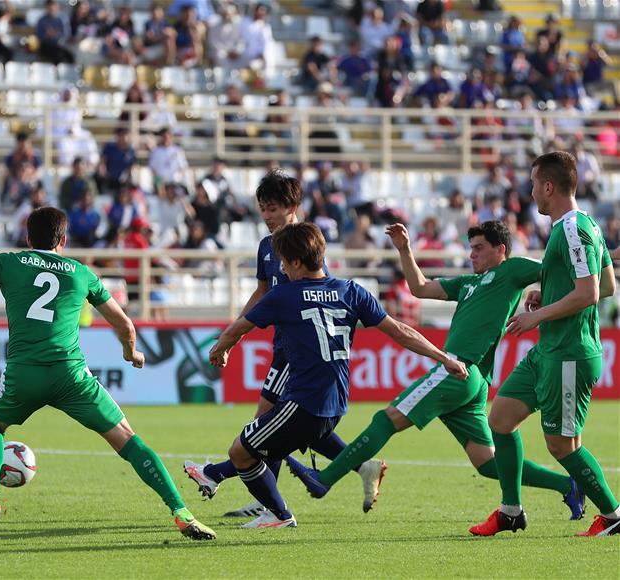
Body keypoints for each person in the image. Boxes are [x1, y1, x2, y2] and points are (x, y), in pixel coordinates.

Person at [0, 207, 216, 541]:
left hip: (24, 374)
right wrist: (130, 353)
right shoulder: (81, 273)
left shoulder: (7, 262)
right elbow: (124, 324)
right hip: (71, 375)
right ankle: (181, 512)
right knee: (128, 439)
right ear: (63, 239)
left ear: (27, 237)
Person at [283, 221, 586, 518]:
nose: (472, 255)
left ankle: (324, 480)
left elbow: (557, 268)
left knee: (385, 419)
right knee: (487, 462)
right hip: (471, 378)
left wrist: (546, 293)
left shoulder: (511, 269)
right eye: (471, 248)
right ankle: (567, 485)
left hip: (457, 370)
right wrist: (405, 250)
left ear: (500, 250)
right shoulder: (468, 283)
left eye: (479, 248)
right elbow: (420, 287)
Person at [206, 222, 468, 528]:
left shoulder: (284, 296)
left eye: (284, 262)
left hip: (302, 403)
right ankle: (255, 488)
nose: (281, 268)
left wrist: (220, 349)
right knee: (264, 444)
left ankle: (278, 514)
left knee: (241, 451)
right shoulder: (352, 291)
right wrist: (443, 357)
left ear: (297, 262)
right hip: (336, 406)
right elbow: (400, 331)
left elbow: (240, 327)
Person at [184, 171, 386, 518]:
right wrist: (236, 332)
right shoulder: (267, 245)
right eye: (262, 209)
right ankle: (358, 465)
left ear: (293, 206)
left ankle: (242, 488)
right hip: (283, 347)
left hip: (300, 352)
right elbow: (262, 293)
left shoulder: (306, 243)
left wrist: (232, 337)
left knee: (265, 426)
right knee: (287, 429)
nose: (267, 216)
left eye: (273, 208)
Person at [471, 151, 619, 537]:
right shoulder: (575, 226)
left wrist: (537, 314)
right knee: (499, 420)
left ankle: (615, 515)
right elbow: (607, 285)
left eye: (534, 183)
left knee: (562, 447)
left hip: (568, 354)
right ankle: (510, 511)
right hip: (548, 352)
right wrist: (547, 294)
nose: (531, 190)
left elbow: (592, 293)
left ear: (549, 186)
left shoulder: (574, 229)